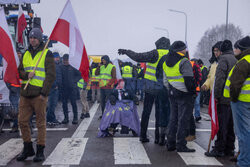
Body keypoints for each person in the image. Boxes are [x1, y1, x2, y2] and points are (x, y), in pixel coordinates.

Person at [118, 37, 171, 144]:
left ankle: (143, 135)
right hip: (163, 88)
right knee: (160, 113)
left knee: (146, 112)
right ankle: (158, 137)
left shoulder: (155, 53)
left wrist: (126, 51)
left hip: (150, 87)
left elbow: (138, 57)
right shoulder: (171, 55)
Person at [17, 28, 56, 162]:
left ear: (39, 39)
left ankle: (40, 150)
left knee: (40, 123)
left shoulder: (47, 53)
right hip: (25, 93)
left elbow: (51, 75)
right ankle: (28, 148)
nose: (32, 39)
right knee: (22, 121)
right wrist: (27, 75)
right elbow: (20, 71)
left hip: (39, 95)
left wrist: (43, 93)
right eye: (31, 37)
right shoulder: (26, 53)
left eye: (35, 37)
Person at [163, 41, 196, 152]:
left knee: (173, 118)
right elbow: (189, 80)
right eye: (184, 48)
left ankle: (170, 143)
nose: (185, 50)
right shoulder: (184, 61)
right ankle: (181, 144)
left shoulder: (165, 62)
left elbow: (165, 81)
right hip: (184, 94)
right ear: (180, 50)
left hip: (172, 93)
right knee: (183, 120)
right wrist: (192, 92)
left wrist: (171, 89)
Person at [205, 39, 237, 157]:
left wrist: (217, 95)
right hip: (233, 97)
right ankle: (229, 148)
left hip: (224, 98)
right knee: (230, 125)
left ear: (222, 49)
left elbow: (220, 79)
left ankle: (219, 148)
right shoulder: (235, 59)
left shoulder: (223, 59)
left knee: (222, 125)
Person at [225, 36, 250, 166]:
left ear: (243, 49)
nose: (235, 50)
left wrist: (233, 99)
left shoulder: (244, 62)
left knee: (243, 132)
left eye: (237, 48)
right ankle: (243, 156)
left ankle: (244, 161)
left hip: (242, 101)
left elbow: (235, 84)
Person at [61, 54, 82, 124]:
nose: (65, 62)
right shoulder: (61, 67)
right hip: (64, 89)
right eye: (64, 60)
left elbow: (79, 75)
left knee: (73, 103)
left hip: (72, 89)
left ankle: (75, 118)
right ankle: (66, 118)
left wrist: (74, 81)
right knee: (64, 104)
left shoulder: (73, 67)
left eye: (66, 60)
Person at [46, 52, 62, 125]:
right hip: (53, 88)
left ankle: (50, 118)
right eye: (57, 57)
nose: (58, 58)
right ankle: (51, 119)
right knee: (52, 104)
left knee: (52, 104)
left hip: (53, 87)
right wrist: (55, 85)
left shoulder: (54, 65)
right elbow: (52, 76)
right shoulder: (53, 65)